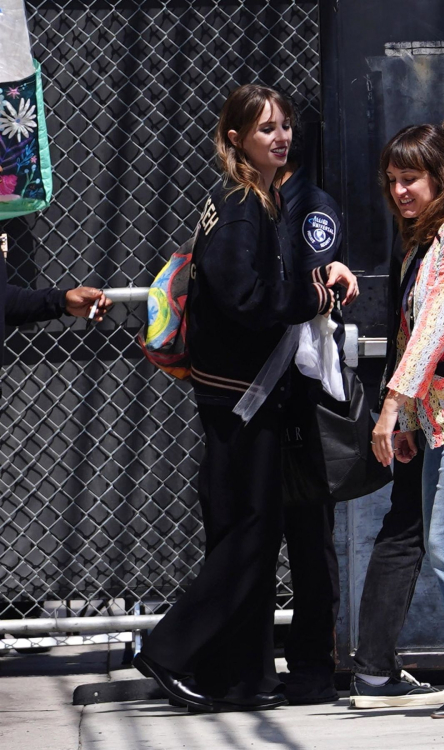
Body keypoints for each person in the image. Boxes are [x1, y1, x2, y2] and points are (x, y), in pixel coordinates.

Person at [132, 83, 340, 713]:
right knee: (250, 533)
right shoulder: (244, 204)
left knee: (246, 529)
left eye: (285, 127)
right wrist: (313, 299)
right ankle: (170, 650)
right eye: (265, 129)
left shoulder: (251, 199)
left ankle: (239, 677)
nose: (281, 138)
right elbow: (244, 298)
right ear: (236, 140)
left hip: (242, 395)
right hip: (241, 399)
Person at [351, 57, 444, 709]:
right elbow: (415, 334)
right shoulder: (429, 240)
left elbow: (437, 327)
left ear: (440, 177)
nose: (400, 191)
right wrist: (411, 422)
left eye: (411, 179)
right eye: (392, 181)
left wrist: (390, 413)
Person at [274, 110, 359, 705]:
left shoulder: (310, 205)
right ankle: (254, 662)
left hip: (297, 394)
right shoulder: (246, 200)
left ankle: (309, 668)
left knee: (308, 534)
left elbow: (309, 285)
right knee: (254, 532)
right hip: (259, 391)